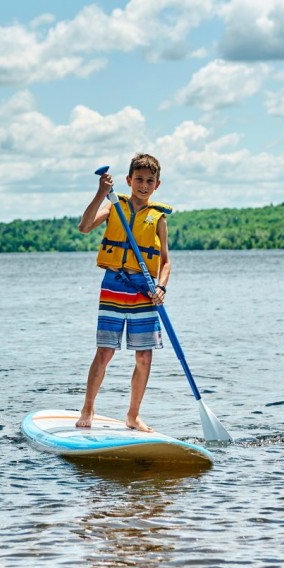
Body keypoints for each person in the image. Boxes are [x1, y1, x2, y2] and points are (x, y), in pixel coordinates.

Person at [76, 153, 172, 432]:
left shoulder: (158, 219)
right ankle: (88, 408)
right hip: (115, 285)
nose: (144, 185)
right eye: (139, 179)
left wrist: (161, 287)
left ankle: (133, 415)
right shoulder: (114, 206)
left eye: (149, 181)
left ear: (157, 185)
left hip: (145, 290)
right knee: (105, 351)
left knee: (144, 357)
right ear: (129, 180)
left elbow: (166, 262)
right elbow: (84, 227)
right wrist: (100, 193)